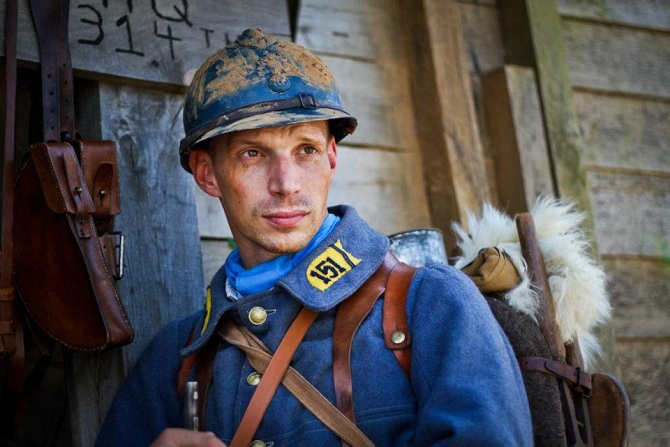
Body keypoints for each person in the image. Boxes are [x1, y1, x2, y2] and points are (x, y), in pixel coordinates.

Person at [95, 28, 533, 447]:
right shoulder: (176, 359)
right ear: (207, 173)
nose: (286, 184)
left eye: (305, 150)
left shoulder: (431, 303)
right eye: (252, 154)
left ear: (330, 158)